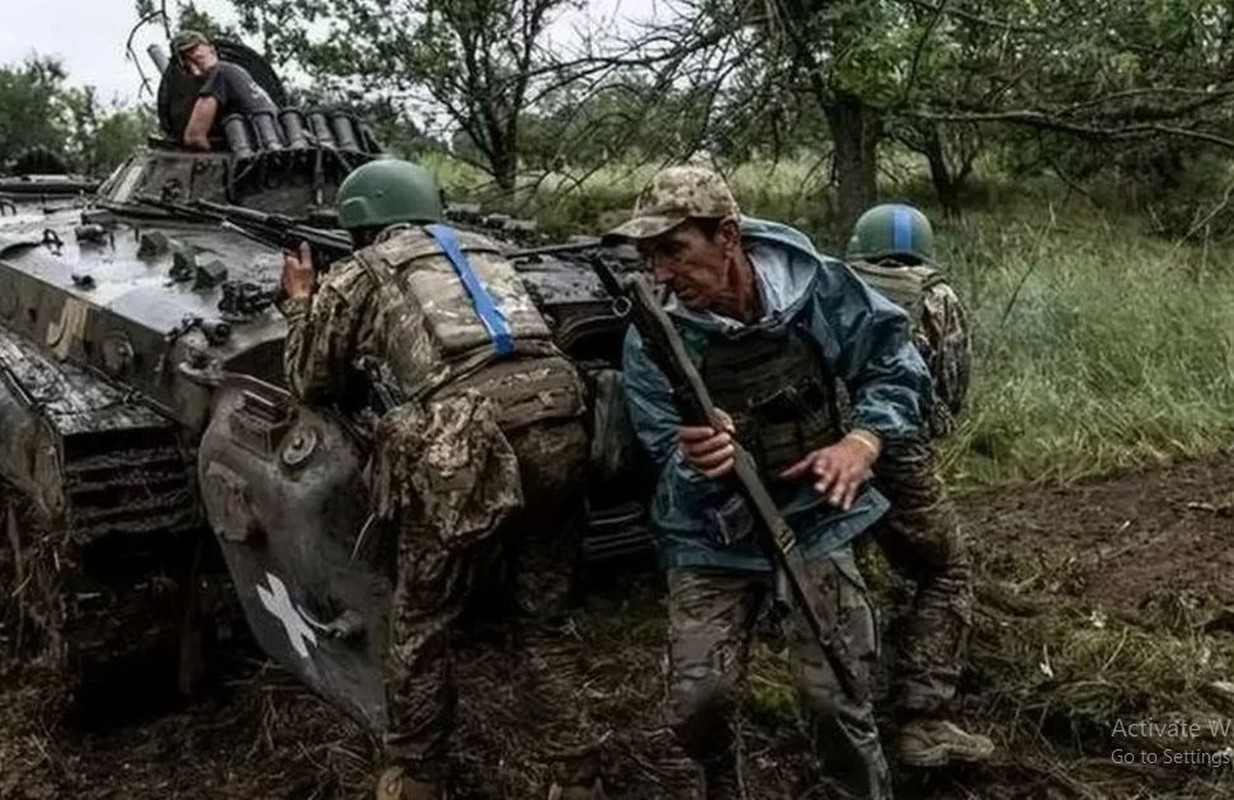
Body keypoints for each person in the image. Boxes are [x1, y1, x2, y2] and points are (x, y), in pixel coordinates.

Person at [609, 165, 932, 800]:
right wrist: (698, 460)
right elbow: (657, 445)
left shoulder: (816, 292)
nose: (662, 273)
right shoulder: (653, 338)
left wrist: (861, 443)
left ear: (727, 236)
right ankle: (722, 781)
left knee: (835, 694)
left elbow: (896, 363)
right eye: (650, 256)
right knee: (698, 704)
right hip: (709, 533)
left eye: (675, 250)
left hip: (814, 518)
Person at [279, 158, 594, 800]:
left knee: (423, 620)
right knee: (544, 617)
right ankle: (577, 774)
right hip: (562, 420)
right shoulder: (490, 251)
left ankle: (419, 775)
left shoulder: (363, 270)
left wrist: (301, 304)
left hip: (469, 445)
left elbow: (311, 379)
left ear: (361, 221)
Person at [845, 203, 993, 768]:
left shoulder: (832, 285)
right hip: (900, 449)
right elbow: (950, 388)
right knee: (945, 569)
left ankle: (844, 708)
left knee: (839, 567)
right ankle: (923, 718)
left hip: (828, 452)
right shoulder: (937, 297)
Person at [170, 29, 278, 151]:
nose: (195, 69)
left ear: (210, 48)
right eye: (186, 63)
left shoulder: (220, 72)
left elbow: (194, 137)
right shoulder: (238, 71)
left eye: (193, 50)